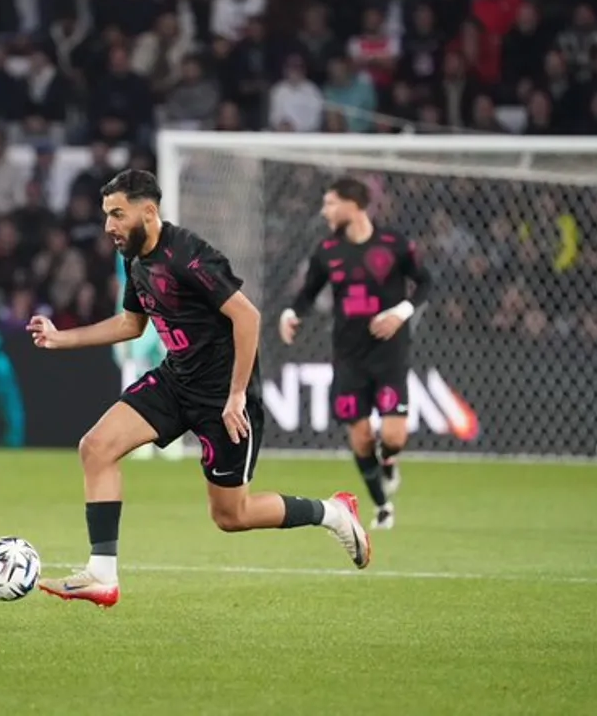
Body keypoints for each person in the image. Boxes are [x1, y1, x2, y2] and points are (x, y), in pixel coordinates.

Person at [27, 169, 371, 608]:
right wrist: (63, 337)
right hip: (176, 379)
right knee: (95, 447)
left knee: (232, 516)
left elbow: (248, 318)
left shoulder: (189, 256)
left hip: (222, 396)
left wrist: (235, 397)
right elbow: (132, 324)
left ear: (148, 212)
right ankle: (101, 575)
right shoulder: (134, 258)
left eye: (117, 214)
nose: (108, 225)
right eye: (106, 215)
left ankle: (333, 512)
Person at [279, 177, 433, 530]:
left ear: (354, 205)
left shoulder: (394, 244)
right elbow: (307, 292)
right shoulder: (327, 251)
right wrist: (292, 314)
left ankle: (390, 459)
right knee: (361, 435)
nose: (325, 210)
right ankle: (382, 506)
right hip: (348, 356)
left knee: (393, 437)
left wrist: (401, 312)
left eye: (331, 203)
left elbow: (425, 281)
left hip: (390, 353)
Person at [112, 250, 183, 461]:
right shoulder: (124, 247)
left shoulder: (167, 245)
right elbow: (122, 279)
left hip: (159, 308)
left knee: (166, 373)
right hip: (137, 307)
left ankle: (169, 441)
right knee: (134, 372)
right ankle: (138, 441)